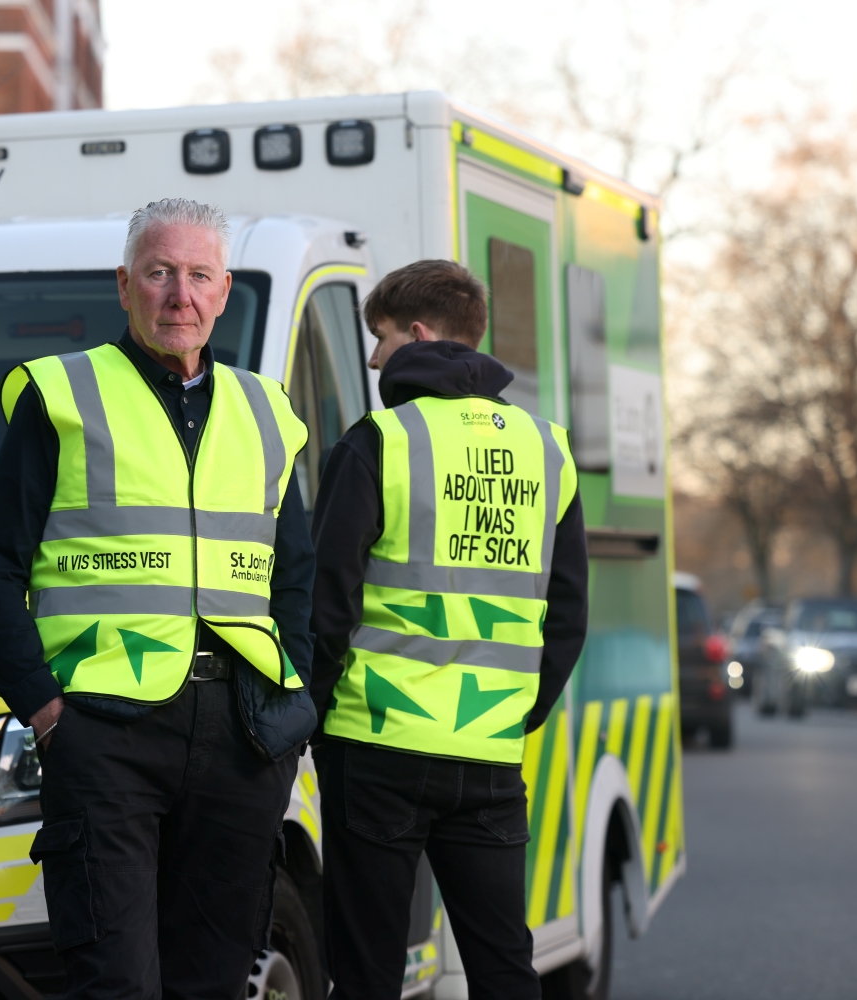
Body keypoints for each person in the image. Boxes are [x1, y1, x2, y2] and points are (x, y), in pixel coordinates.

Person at [0, 198, 317, 999]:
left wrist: (290, 702)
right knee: (116, 981)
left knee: (215, 981)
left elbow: (296, 576)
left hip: (241, 736)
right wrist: (47, 714)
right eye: (160, 273)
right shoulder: (64, 396)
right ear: (125, 285)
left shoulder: (266, 411)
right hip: (107, 736)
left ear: (224, 290)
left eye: (198, 276)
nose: (179, 295)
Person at [308, 260, 589, 1000]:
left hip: (377, 745)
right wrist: (516, 711)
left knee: (367, 971)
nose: (373, 357)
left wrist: (314, 715)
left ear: (421, 335)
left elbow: (326, 603)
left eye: (382, 336)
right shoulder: (546, 449)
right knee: (503, 967)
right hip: (489, 753)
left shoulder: (379, 441)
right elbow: (567, 613)